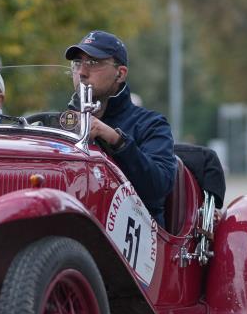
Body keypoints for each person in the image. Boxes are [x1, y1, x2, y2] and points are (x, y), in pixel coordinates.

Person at [65, 30, 176, 226]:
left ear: (120, 73)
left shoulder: (151, 124)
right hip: (72, 228)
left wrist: (115, 139)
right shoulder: (61, 124)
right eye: (77, 63)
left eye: (93, 63)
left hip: (138, 237)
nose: (81, 72)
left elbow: (158, 187)